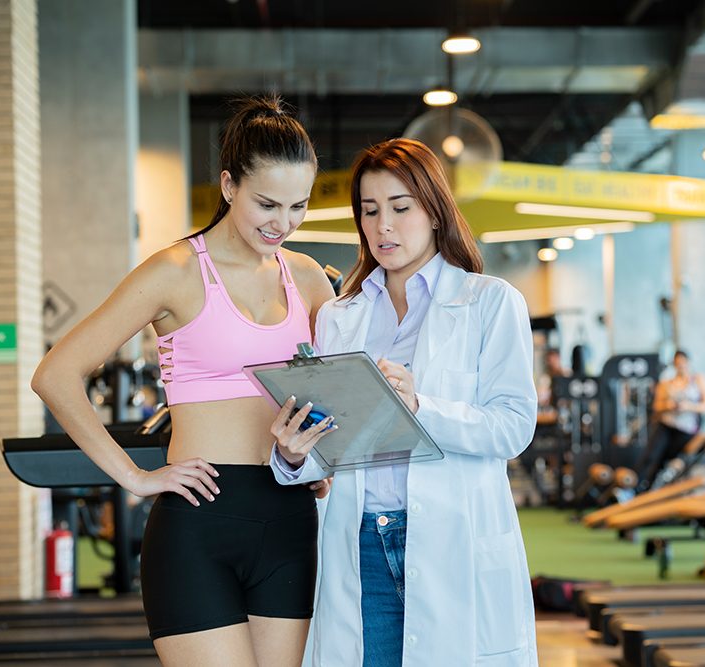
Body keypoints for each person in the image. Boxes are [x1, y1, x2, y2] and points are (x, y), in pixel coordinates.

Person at [31, 95, 336, 666]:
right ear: (228, 186)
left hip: (290, 524)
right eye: (267, 204)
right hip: (200, 522)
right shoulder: (174, 271)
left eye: (298, 206)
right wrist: (133, 476)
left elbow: (338, 391)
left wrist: (319, 464)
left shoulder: (307, 278)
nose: (283, 223)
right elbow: (56, 374)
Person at [268, 138, 539, 666]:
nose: (382, 226)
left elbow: (513, 427)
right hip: (361, 540)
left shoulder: (490, 302)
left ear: (434, 211)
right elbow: (332, 447)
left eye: (400, 207)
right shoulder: (339, 317)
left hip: (450, 537)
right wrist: (294, 455)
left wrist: (421, 407)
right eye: (369, 211)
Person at [636, 349, 705, 490]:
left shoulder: (699, 380)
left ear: (688, 363)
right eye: (678, 363)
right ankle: (640, 489)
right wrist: (668, 405)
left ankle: (663, 489)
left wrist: (688, 406)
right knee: (653, 457)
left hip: (687, 430)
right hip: (667, 425)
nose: (681, 366)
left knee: (675, 462)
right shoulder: (666, 383)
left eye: (683, 363)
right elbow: (657, 406)